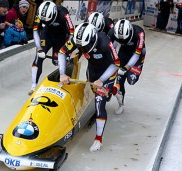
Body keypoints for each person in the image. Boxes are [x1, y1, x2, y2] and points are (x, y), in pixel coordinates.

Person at [58, 23, 120, 152]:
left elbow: (116, 64)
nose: (82, 48)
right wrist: (62, 73)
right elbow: (62, 52)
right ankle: (114, 91)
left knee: (100, 102)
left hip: (107, 72)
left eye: (84, 46)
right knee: (93, 93)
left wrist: (102, 80)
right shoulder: (76, 39)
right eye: (80, 46)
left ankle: (98, 139)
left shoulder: (105, 43)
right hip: (93, 70)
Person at [28, 1, 74, 95]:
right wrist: (39, 47)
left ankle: (64, 79)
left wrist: (67, 50)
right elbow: (36, 30)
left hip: (60, 37)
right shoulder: (39, 14)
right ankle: (33, 85)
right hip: (47, 35)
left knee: (57, 61)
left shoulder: (64, 14)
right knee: (39, 57)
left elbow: (71, 33)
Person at [107, 19, 146, 115]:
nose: (122, 42)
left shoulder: (139, 33)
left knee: (132, 80)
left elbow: (137, 54)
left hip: (137, 54)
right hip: (124, 53)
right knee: (120, 80)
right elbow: (108, 49)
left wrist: (126, 67)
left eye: (124, 40)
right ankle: (121, 105)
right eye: (120, 40)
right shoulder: (112, 32)